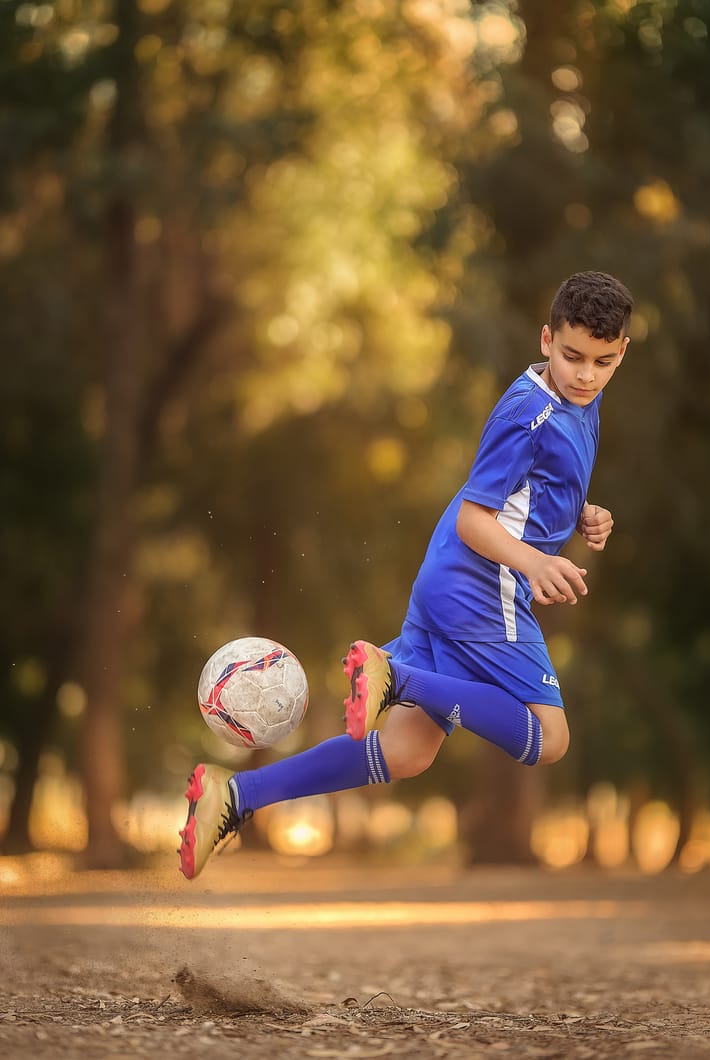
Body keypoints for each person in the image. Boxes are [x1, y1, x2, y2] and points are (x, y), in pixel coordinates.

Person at [178, 270, 633, 880]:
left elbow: (536, 485)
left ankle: (236, 796)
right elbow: (477, 518)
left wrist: (582, 513)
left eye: (602, 362)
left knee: (408, 751)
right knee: (549, 739)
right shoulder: (528, 413)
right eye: (572, 357)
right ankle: (396, 678)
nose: (585, 374)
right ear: (546, 339)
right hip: (480, 584)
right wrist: (535, 560)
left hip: (448, 581)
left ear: (620, 351)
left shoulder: (584, 399)